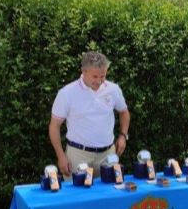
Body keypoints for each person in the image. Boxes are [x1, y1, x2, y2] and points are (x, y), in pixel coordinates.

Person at [49, 51, 130, 179]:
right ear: (83, 71)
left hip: (108, 155)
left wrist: (123, 136)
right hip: (77, 156)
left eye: (102, 76)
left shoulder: (113, 89)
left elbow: (124, 112)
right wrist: (61, 156)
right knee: (78, 198)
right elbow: (54, 126)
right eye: (95, 77)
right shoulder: (67, 93)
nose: (99, 81)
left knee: (108, 196)